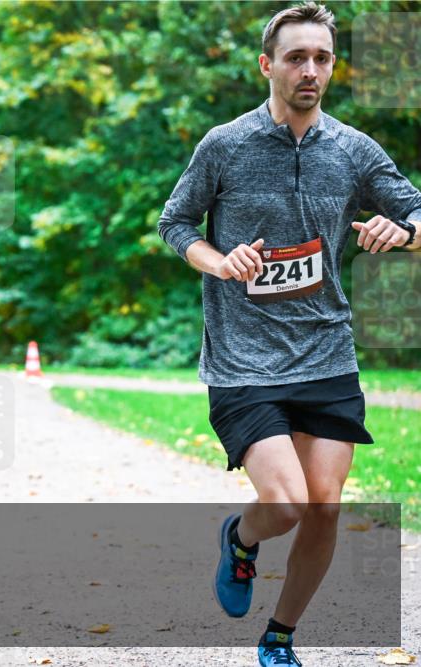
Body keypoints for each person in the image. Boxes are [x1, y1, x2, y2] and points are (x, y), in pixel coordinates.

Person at [157, 3, 421, 665]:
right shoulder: (225, 144)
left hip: (326, 352)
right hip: (243, 358)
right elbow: (175, 223)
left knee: (325, 506)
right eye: (296, 57)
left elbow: (417, 213)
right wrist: (219, 261)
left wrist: (403, 232)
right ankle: (241, 539)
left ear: (333, 67)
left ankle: (280, 636)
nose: (310, 70)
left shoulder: (355, 151)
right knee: (287, 503)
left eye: (322, 58)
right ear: (266, 65)